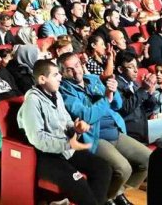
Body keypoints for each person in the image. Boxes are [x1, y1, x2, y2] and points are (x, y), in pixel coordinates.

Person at [57, 52, 151, 205]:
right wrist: (106, 98)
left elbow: (117, 105)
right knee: (123, 169)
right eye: (69, 69)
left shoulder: (93, 79)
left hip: (115, 130)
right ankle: (104, 200)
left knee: (148, 159)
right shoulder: (65, 91)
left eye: (77, 66)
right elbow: (86, 115)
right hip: (96, 137)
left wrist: (113, 91)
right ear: (62, 73)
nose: (76, 71)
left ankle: (114, 194)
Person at [19, 60, 113, 205]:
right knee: (79, 182)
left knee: (103, 168)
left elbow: (67, 122)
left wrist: (76, 128)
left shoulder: (57, 95)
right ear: (42, 79)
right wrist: (68, 143)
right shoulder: (32, 101)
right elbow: (37, 138)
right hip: (47, 157)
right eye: (55, 74)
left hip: (66, 149)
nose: (60, 77)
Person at [114, 52, 162, 145]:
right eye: (131, 67)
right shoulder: (115, 85)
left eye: (136, 66)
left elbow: (150, 107)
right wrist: (143, 89)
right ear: (120, 69)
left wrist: (150, 93)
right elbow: (125, 108)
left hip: (143, 125)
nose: (136, 70)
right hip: (133, 129)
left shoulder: (134, 84)